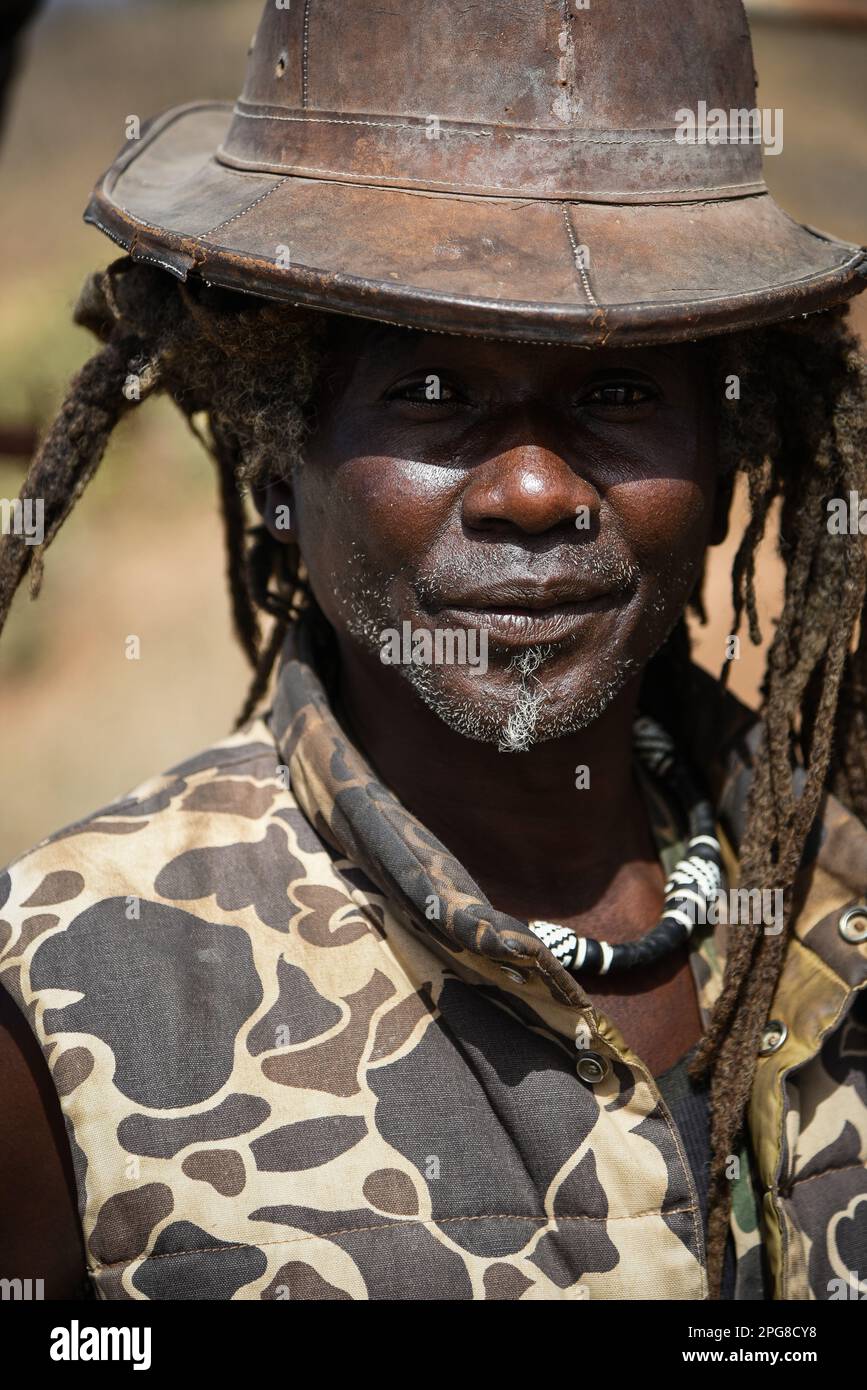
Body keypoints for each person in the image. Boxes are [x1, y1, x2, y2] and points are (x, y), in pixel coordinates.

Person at [1, 0, 866, 1302]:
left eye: (621, 392)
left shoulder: (839, 916)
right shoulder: (66, 1006)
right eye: (429, 392)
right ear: (279, 434)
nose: (530, 489)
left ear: (726, 441)